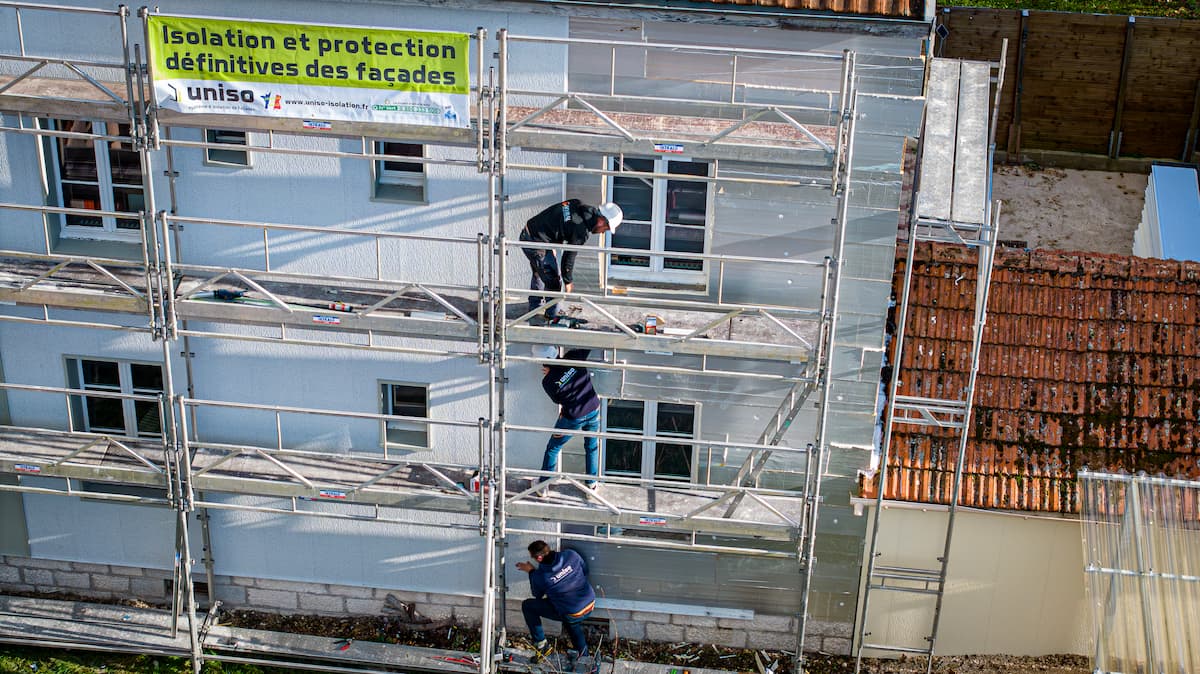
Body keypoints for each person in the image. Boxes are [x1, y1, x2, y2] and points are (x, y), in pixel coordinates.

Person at [520, 199, 622, 321]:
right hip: (535, 242)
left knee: (539, 271)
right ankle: (552, 315)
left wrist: (551, 244)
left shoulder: (576, 204)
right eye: (606, 229)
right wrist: (568, 280)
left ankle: (535, 307)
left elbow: (558, 221)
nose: (602, 233)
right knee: (553, 281)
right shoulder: (581, 231)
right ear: (601, 221)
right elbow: (569, 256)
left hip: (531, 233)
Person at [534, 345, 601, 491]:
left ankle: (543, 485)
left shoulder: (548, 382)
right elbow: (589, 343)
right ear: (556, 352)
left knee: (553, 448)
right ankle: (591, 484)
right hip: (593, 408)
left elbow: (557, 400)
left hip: (573, 417)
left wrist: (554, 375)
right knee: (592, 446)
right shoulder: (574, 357)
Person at [517, 540, 596, 663]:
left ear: (538, 558)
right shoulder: (571, 555)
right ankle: (584, 657)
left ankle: (542, 645)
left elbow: (537, 595)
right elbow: (585, 571)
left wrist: (531, 572)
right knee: (571, 620)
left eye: (532, 557)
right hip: (590, 603)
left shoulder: (541, 576)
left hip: (572, 613)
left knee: (528, 606)